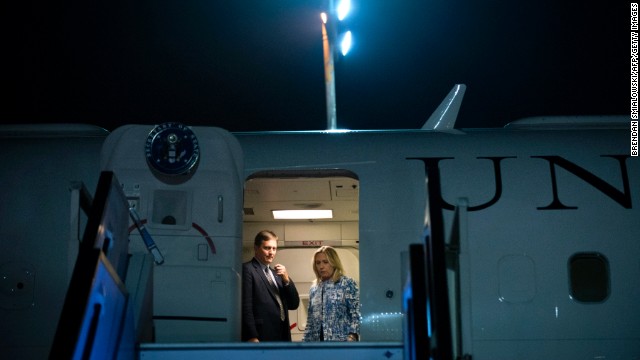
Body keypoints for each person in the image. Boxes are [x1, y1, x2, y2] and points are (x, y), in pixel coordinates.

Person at [242, 230, 300, 342]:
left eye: (274, 249)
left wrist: (287, 280)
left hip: (282, 335)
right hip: (261, 334)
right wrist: (251, 336)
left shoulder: (277, 275)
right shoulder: (247, 270)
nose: (271, 252)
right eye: (267, 248)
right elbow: (246, 307)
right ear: (256, 248)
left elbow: (294, 304)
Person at [303, 246, 361, 342]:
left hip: (342, 344)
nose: (321, 266)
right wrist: (304, 345)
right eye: (318, 263)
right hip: (317, 344)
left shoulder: (346, 283)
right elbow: (310, 322)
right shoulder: (314, 288)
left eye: (325, 262)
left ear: (334, 263)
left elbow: (357, 314)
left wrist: (352, 337)